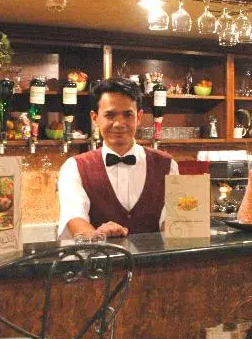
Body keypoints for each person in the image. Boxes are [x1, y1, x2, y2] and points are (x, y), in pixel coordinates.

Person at [57, 77, 179, 238]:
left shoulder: (167, 165)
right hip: (99, 255)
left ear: (139, 117)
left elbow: (172, 220)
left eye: (128, 115)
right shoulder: (74, 167)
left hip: (155, 255)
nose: (119, 124)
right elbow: (74, 217)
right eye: (110, 115)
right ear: (95, 118)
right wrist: (97, 235)